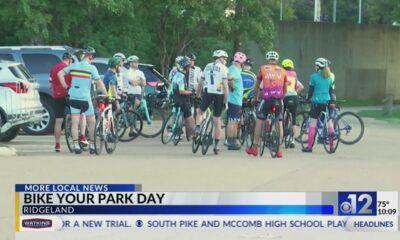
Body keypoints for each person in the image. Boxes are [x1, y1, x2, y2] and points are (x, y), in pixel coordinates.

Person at [57, 47, 108, 154]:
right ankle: (92, 145)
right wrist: (106, 94)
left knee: (75, 122)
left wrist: (66, 87)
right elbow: (99, 83)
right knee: (92, 122)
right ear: (90, 57)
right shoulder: (92, 68)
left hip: (73, 97)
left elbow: (59, 74)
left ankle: (76, 145)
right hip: (85, 98)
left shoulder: (73, 65)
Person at [245, 51, 287, 158]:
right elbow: (285, 87)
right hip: (278, 99)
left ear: (268, 59)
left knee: (260, 121)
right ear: (276, 60)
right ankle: (279, 150)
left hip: (267, 98)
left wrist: (255, 99)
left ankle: (254, 147)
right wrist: (282, 97)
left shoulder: (263, 68)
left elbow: (257, 85)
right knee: (279, 122)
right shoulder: (283, 70)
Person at [50, 52, 88, 152]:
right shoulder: (70, 69)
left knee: (58, 120)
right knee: (81, 114)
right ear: (70, 60)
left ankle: (57, 145)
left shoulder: (54, 68)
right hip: (69, 95)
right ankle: (83, 136)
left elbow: (51, 84)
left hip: (57, 96)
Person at [195, 50, 229, 155]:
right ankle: (216, 145)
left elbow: (200, 82)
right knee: (217, 120)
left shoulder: (207, 66)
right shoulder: (224, 68)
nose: (225, 60)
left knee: (200, 112)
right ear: (221, 58)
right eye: (224, 58)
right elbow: (225, 85)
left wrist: (197, 95)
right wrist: (226, 101)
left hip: (208, 92)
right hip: (219, 94)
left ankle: (197, 128)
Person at [302, 58, 336, 153]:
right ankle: (332, 147)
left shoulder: (313, 77)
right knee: (329, 122)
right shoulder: (329, 77)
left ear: (318, 66)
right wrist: (332, 101)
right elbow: (331, 91)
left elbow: (311, 91)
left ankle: (309, 147)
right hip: (327, 102)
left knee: (313, 124)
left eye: (315, 65)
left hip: (316, 102)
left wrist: (308, 99)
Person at [226, 52, 247, 150]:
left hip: (237, 100)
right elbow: (229, 77)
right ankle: (230, 141)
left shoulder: (236, 70)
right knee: (232, 121)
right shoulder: (233, 69)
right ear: (242, 62)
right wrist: (232, 86)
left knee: (236, 121)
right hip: (234, 99)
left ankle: (233, 139)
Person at [281, 58, 304, 148]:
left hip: (284, 97)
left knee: (280, 117)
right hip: (294, 97)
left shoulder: (282, 74)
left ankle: (280, 137)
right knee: (293, 118)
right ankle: (293, 140)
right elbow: (301, 86)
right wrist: (295, 92)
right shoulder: (294, 75)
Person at [172, 56, 196, 139]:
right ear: (185, 67)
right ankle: (194, 134)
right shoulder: (181, 77)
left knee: (180, 117)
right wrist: (191, 92)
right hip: (181, 100)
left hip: (175, 99)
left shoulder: (176, 74)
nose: (189, 68)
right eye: (188, 67)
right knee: (190, 118)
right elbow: (181, 91)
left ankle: (183, 133)